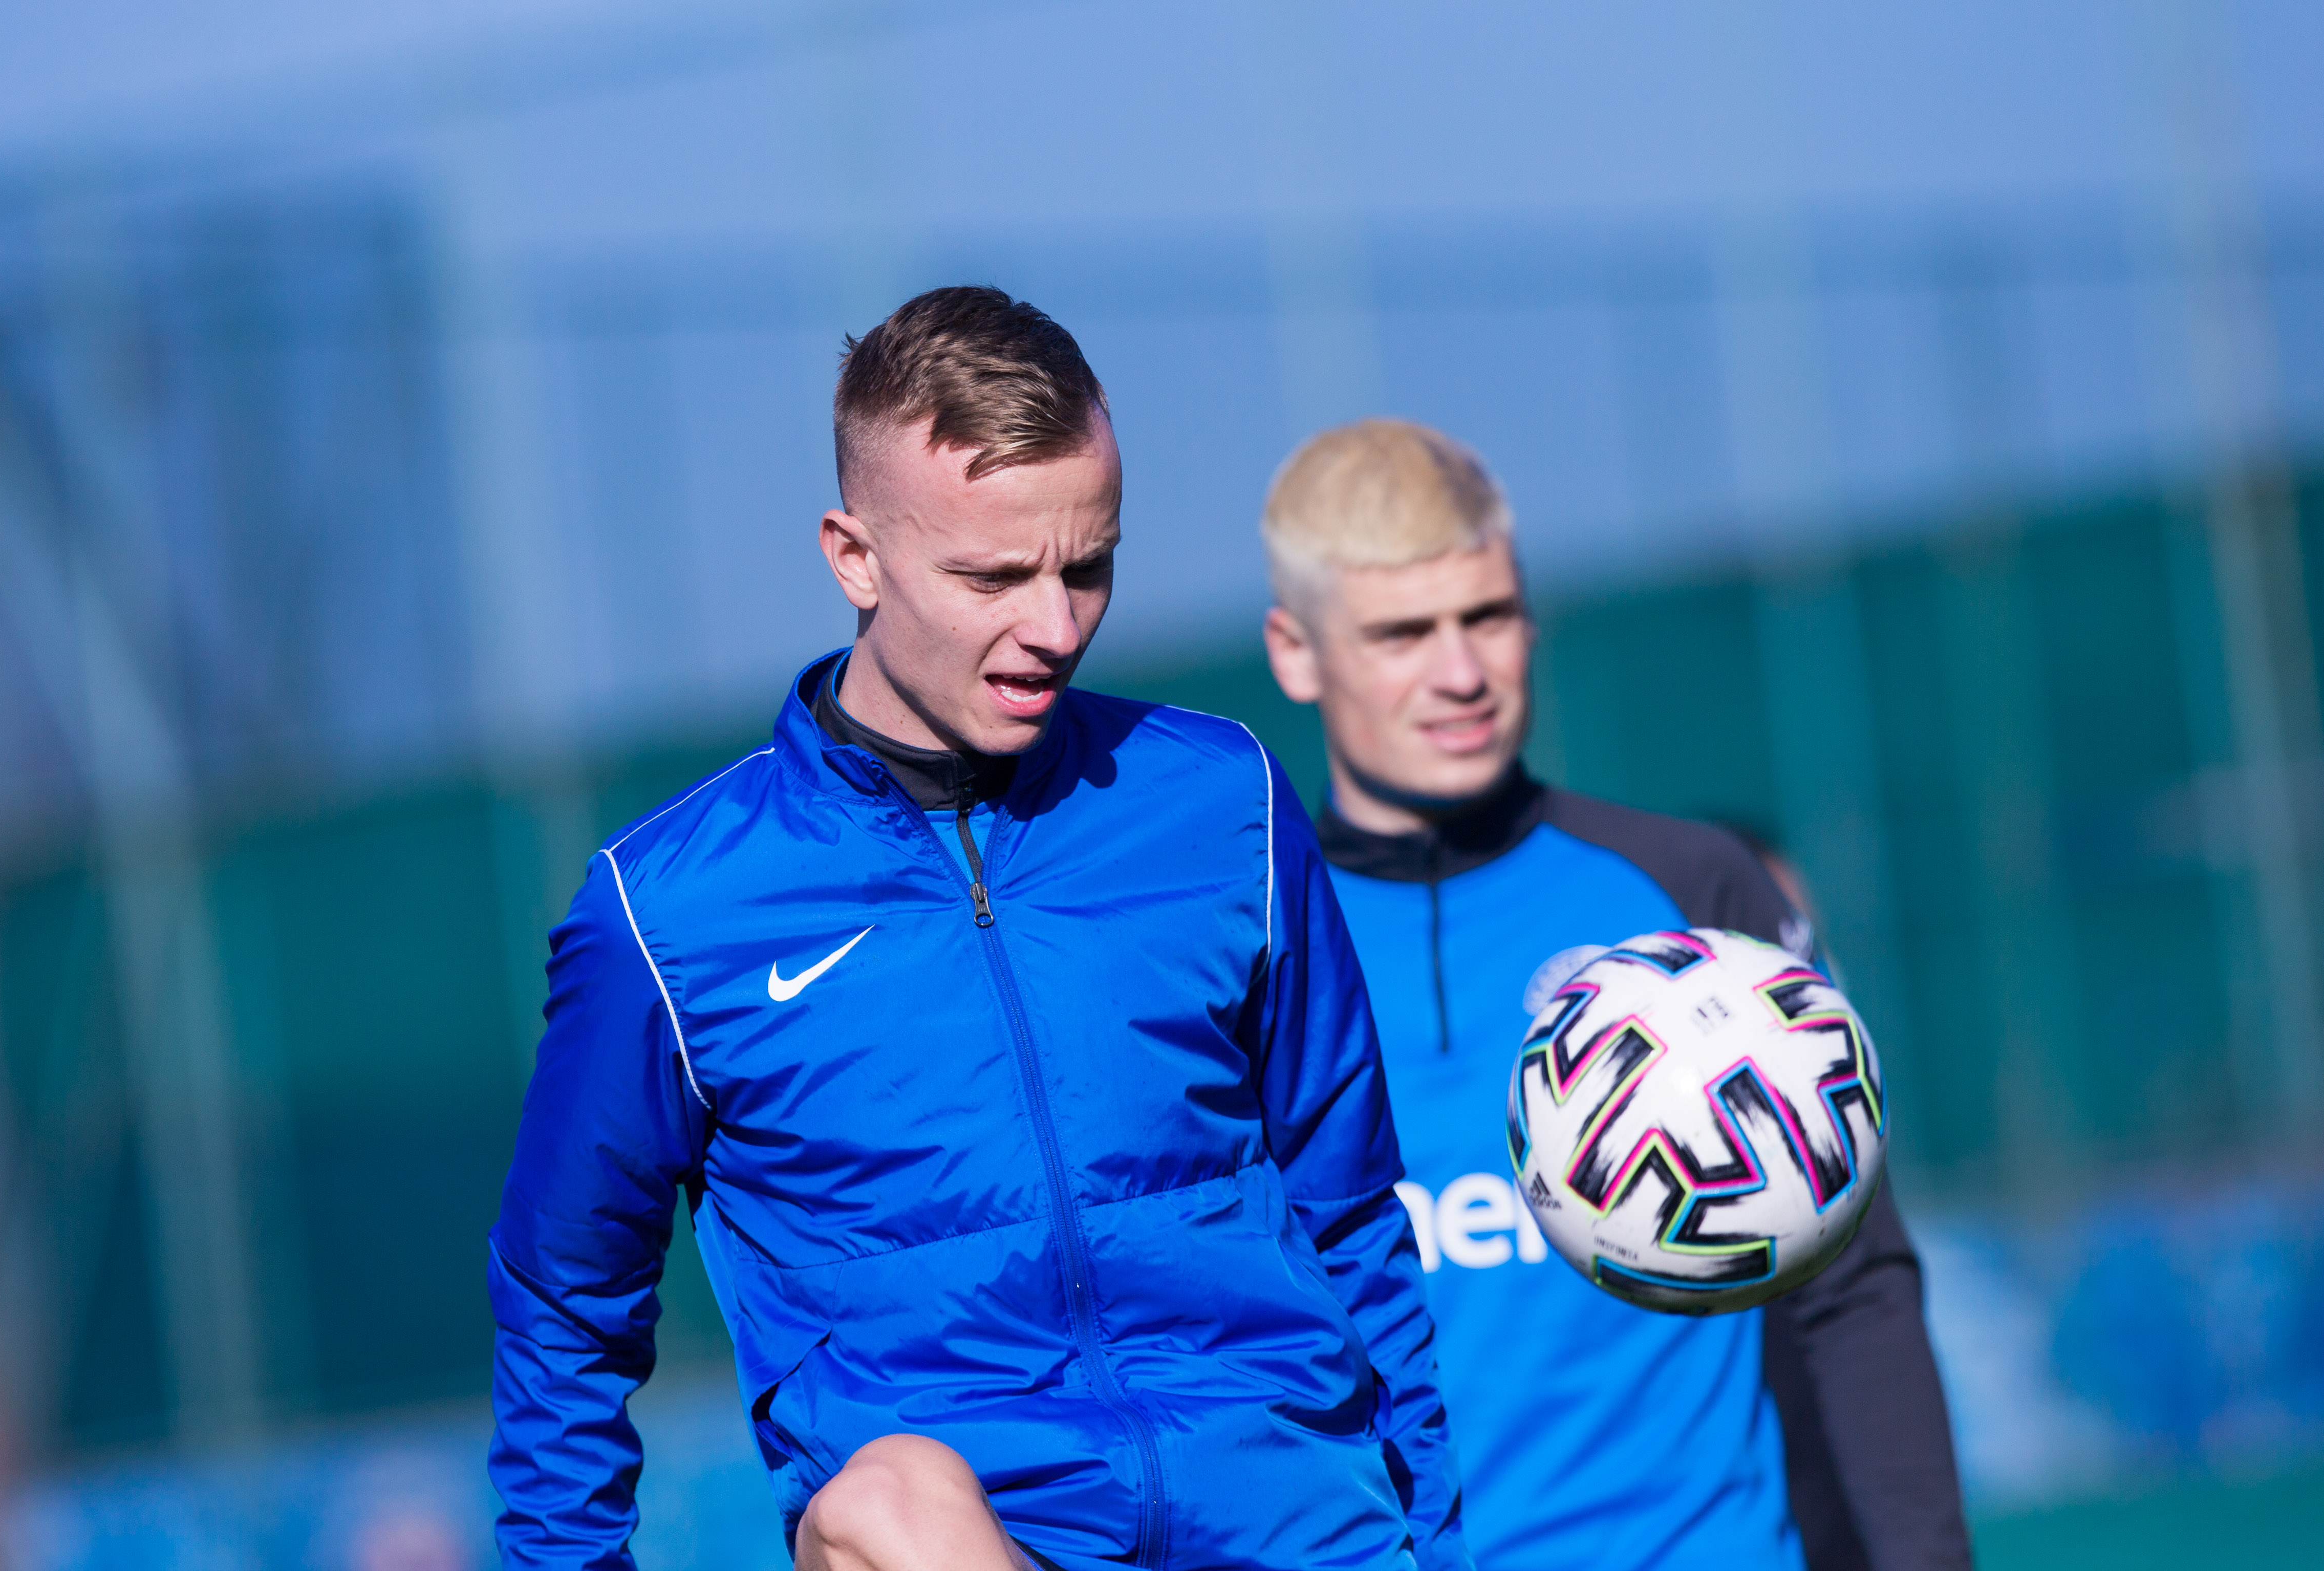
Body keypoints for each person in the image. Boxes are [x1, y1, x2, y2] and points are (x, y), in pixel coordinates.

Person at [487, 291, 1469, 1571]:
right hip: (989, 1540)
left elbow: (1352, 1217)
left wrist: (1440, 1546)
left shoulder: (1226, 800)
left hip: (1301, 1534)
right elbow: (564, 1304)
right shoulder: (666, 911)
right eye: (992, 577)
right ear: (853, 556)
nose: (1054, 627)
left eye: (1087, 566)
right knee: (890, 1500)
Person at [1258, 419, 1972, 1571]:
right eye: (1402, 632)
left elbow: (1853, 1286)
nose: (1461, 672)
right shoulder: (1260, 941)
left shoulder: (1691, 887)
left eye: (1488, 615)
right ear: (1296, 653)